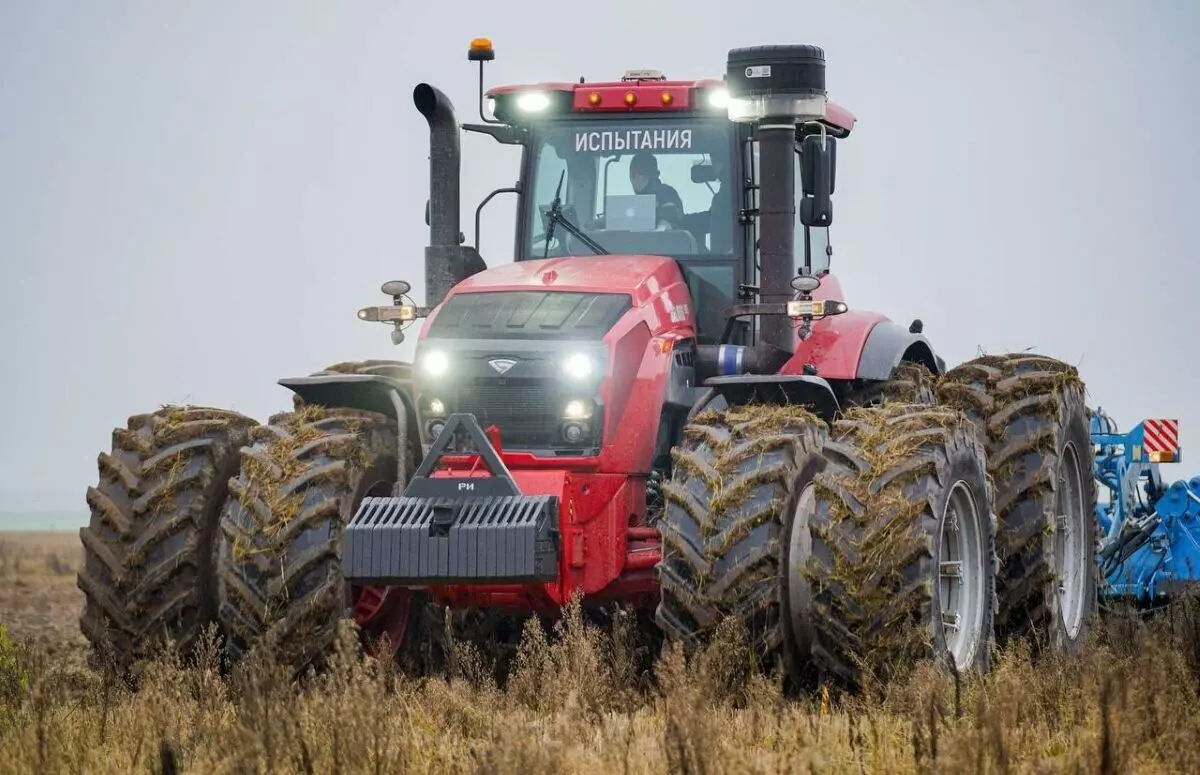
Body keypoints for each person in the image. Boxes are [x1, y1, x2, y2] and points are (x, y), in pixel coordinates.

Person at [629, 151, 684, 227]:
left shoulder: (667, 194)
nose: (631, 181)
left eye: (632, 176)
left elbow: (668, 226)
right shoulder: (636, 203)